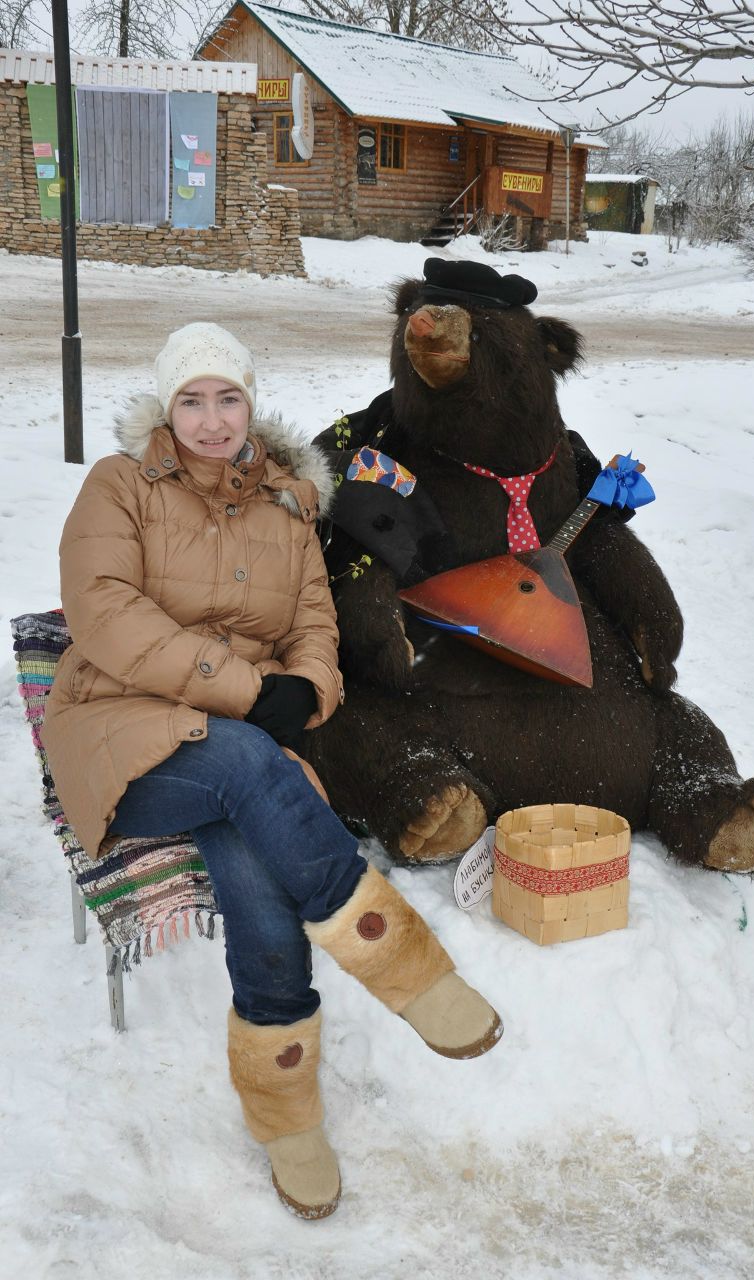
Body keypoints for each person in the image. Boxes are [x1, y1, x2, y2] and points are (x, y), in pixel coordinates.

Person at [41, 323, 502, 1221]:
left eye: (228, 398)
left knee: (251, 844)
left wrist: (311, 687)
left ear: (251, 402)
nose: (212, 422)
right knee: (249, 764)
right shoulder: (120, 487)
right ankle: (410, 970)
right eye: (191, 400)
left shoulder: (289, 507)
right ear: (166, 410)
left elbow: (315, 627)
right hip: (119, 728)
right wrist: (253, 693)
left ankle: (284, 1108)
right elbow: (103, 616)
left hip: (236, 747)